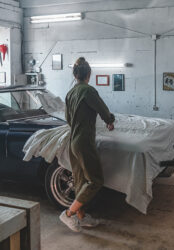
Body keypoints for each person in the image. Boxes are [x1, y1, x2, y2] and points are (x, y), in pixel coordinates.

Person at [59, 57, 115, 232]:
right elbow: (103, 110)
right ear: (89, 74)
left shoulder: (70, 93)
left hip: (73, 141)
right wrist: (109, 121)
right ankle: (68, 214)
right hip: (84, 141)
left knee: (80, 181)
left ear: (75, 74)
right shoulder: (88, 91)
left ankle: (81, 217)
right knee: (95, 180)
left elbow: (68, 119)